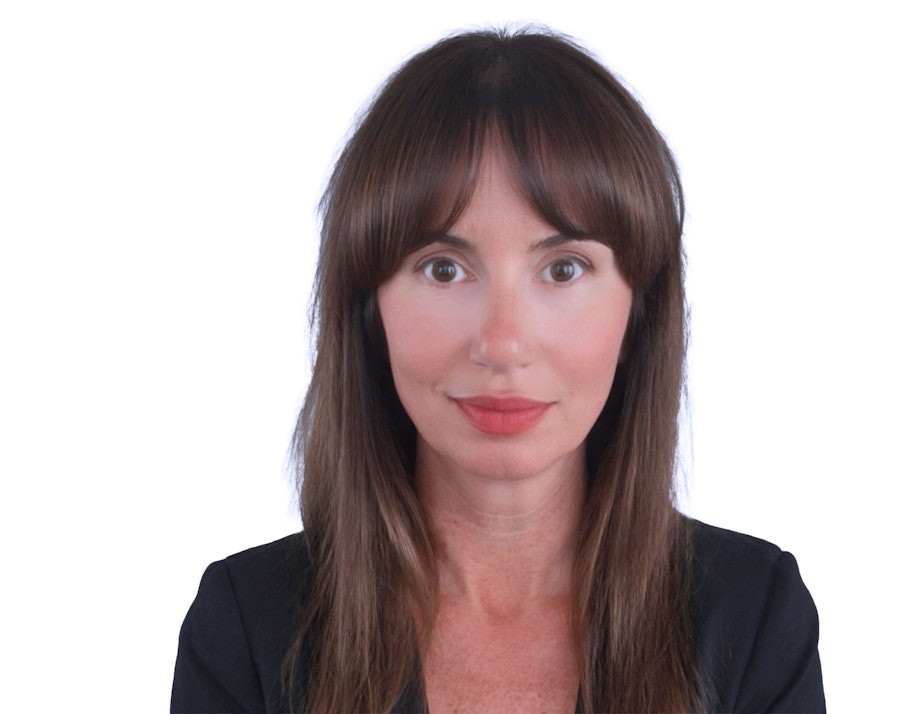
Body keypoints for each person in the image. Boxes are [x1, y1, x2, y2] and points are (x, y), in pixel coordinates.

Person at [171, 28, 824, 713]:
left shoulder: (754, 617)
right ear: (370, 310)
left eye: (563, 269)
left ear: (640, 312)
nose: (503, 343)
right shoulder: (245, 629)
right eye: (443, 269)